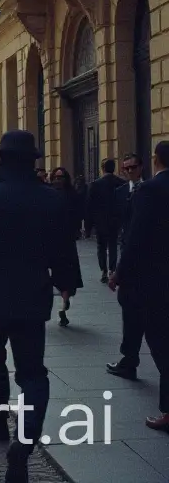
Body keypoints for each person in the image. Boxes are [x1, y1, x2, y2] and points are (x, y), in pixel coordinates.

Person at [0, 130, 78, 483]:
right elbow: (64, 254)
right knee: (33, 373)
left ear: (1, 160)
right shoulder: (51, 199)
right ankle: (24, 443)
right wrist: (66, 286)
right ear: (32, 163)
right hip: (31, 299)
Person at [109, 140, 169, 432]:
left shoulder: (150, 190)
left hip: (154, 279)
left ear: (155, 161)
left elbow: (136, 237)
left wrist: (119, 273)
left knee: (161, 342)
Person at [107, 153, 146, 380]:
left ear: (141, 167)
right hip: (128, 257)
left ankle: (129, 360)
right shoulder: (120, 192)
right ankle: (128, 359)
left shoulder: (149, 190)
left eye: (133, 167)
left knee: (137, 314)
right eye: (126, 169)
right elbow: (119, 228)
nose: (130, 171)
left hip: (140, 264)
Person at [49, 167, 84, 325]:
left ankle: (63, 304)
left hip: (64, 241)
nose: (57, 180)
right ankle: (63, 301)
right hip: (58, 241)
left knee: (64, 275)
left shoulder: (69, 195)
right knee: (62, 274)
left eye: (60, 177)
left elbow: (79, 214)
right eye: (55, 177)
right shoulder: (50, 194)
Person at [87, 158, 124, 283]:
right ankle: (112, 270)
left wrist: (91, 222)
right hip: (115, 220)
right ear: (114, 168)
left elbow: (90, 204)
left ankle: (103, 270)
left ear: (102, 169)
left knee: (101, 246)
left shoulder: (95, 184)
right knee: (113, 244)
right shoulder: (121, 182)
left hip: (100, 220)